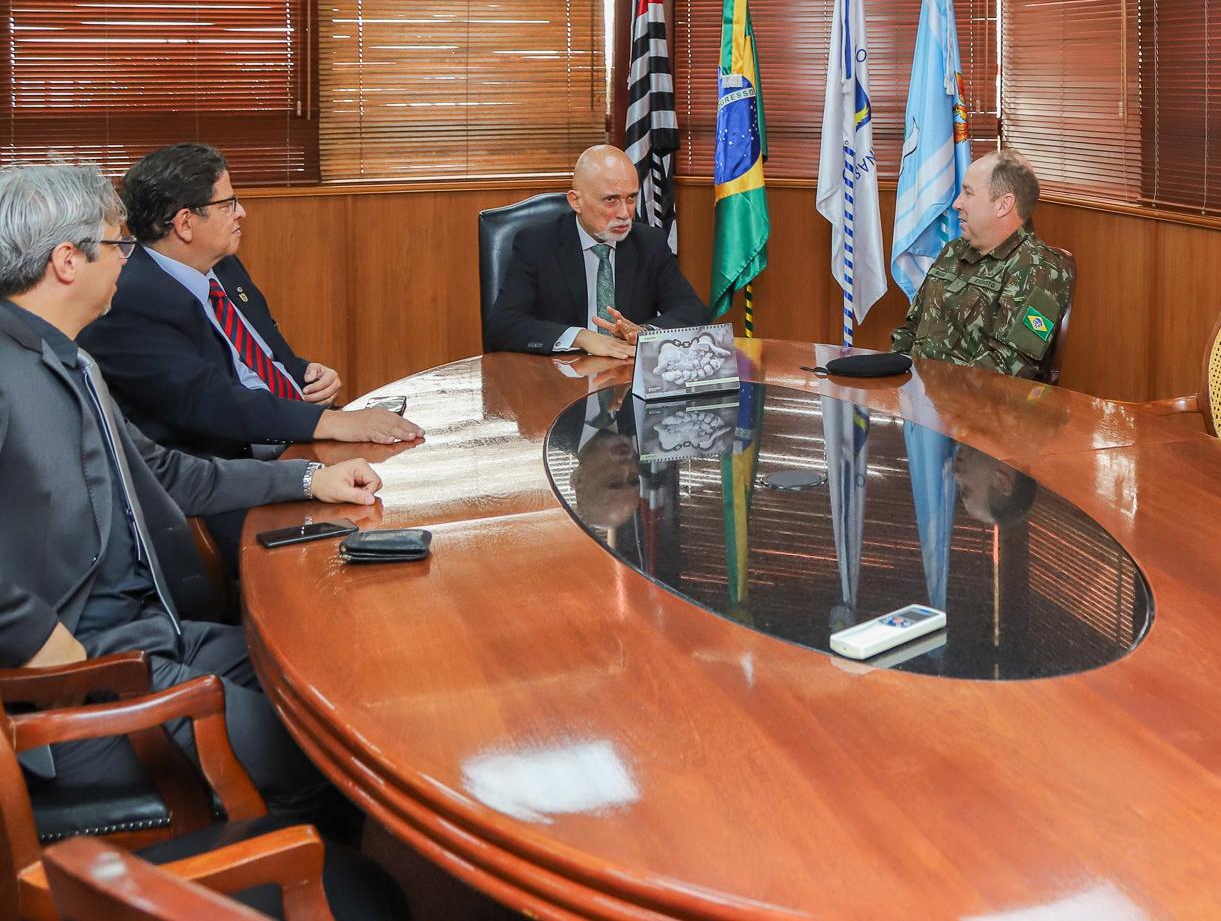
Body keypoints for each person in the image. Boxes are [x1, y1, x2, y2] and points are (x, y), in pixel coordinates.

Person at [0, 163, 383, 827]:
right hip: (85, 682)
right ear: (68, 261)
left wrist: (307, 479)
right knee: (323, 753)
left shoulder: (71, 357)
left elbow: (169, 472)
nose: (129, 259)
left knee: (337, 681)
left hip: (160, 632)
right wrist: (34, 639)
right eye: (118, 243)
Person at [80, 143, 423, 460]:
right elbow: (208, 400)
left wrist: (307, 375)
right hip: (236, 473)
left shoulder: (222, 263)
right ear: (185, 223)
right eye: (227, 204)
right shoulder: (130, 299)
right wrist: (329, 423)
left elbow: (257, 355)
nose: (241, 212)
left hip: (298, 437)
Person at [486, 145, 710, 359]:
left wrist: (644, 332)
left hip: (626, 376)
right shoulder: (537, 244)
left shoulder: (649, 244)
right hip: (561, 378)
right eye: (610, 199)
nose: (624, 213)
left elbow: (694, 312)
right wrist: (579, 337)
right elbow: (502, 326)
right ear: (576, 201)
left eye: (630, 197)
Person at [890, 150, 1073, 382]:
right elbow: (911, 330)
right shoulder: (953, 252)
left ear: (1003, 205)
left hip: (976, 410)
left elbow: (1010, 368)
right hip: (918, 399)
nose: (957, 203)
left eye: (968, 192)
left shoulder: (1039, 269)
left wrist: (931, 393)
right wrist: (896, 382)